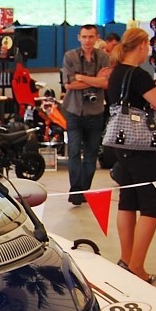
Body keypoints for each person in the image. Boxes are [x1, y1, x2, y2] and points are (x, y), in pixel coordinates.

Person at [106, 27, 156, 284]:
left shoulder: (115, 73)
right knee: (153, 206)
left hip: (121, 143)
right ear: (143, 45)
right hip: (141, 146)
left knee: (128, 200)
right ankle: (137, 266)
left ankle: (126, 259)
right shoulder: (139, 75)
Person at [61, 24, 111, 205]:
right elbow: (68, 84)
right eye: (84, 36)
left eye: (91, 37)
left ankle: (83, 190)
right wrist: (95, 79)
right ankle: (76, 191)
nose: (87, 40)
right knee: (74, 152)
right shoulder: (70, 56)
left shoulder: (104, 57)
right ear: (79, 37)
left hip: (95, 112)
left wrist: (81, 77)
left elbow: (105, 83)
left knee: (91, 154)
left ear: (97, 38)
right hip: (74, 110)